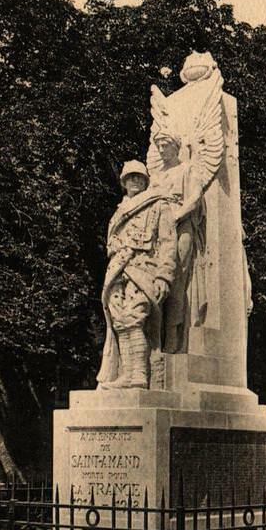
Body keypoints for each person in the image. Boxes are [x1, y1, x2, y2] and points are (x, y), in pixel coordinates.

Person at [96, 160, 177, 389]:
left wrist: (164, 276)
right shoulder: (119, 211)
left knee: (134, 318)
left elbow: (168, 242)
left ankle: (140, 375)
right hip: (117, 269)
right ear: (124, 182)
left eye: (139, 176)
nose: (135, 180)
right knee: (120, 322)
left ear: (146, 180)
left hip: (143, 268)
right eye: (130, 177)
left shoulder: (158, 205)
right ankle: (126, 375)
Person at [151, 131, 207, 353]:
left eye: (165, 145)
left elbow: (195, 197)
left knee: (176, 279)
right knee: (155, 277)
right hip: (158, 229)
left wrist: (177, 215)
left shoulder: (188, 169)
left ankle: (172, 333)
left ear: (175, 147)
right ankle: (155, 336)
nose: (161, 150)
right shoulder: (156, 176)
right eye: (158, 146)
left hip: (181, 225)